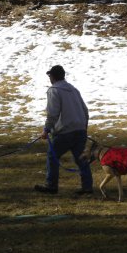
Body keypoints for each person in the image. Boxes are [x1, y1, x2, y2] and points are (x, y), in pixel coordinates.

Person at [34, 65, 93, 195]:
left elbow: (53, 113)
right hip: (80, 130)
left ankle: (51, 185)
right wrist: (84, 128)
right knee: (81, 159)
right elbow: (85, 111)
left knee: (52, 156)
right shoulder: (74, 89)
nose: (49, 78)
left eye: (50, 76)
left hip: (65, 131)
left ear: (53, 77)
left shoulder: (54, 90)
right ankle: (87, 186)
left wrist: (46, 130)